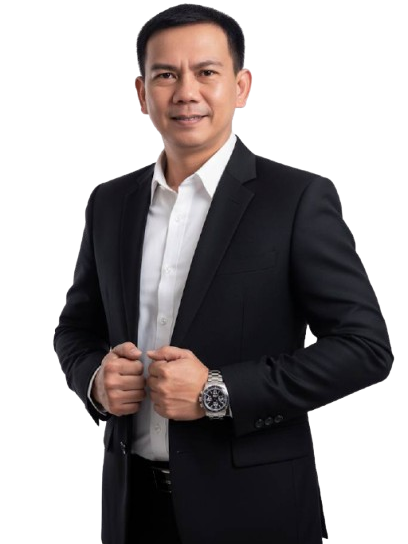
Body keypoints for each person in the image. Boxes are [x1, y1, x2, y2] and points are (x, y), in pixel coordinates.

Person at [53, 4, 393, 544]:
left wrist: (218, 391)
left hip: (255, 511)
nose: (185, 92)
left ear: (241, 86)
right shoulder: (110, 202)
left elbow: (366, 347)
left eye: (206, 72)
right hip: (130, 508)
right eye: (166, 75)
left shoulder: (297, 198)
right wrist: (95, 380)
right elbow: (75, 327)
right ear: (141, 93)